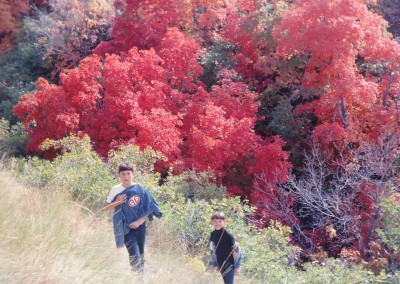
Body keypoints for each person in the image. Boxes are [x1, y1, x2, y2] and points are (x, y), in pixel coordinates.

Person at [104, 163, 162, 273]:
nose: (126, 176)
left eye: (128, 173)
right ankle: (137, 275)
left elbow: (150, 206)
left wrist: (139, 221)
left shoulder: (139, 189)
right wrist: (117, 202)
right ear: (119, 175)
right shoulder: (116, 189)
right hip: (125, 227)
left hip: (140, 227)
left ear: (133, 174)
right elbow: (106, 208)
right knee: (134, 254)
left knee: (140, 253)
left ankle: (138, 277)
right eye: (123, 174)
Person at [209, 211, 242, 284]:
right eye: (215, 221)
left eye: (220, 221)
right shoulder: (213, 234)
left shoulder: (228, 235)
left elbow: (237, 250)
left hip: (229, 264)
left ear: (224, 222)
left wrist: (237, 267)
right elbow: (213, 250)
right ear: (212, 222)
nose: (217, 224)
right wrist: (216, 264)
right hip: (221, 264)